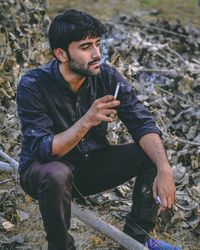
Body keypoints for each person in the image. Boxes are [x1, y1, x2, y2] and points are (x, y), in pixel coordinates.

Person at [16, 9, 180, 250]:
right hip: (43, 173)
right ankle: (60, 246)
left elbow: (141, 122)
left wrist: (164, 169)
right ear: (61, 53)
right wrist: (87, 120)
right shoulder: (34, 85)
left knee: (152, 154)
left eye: (97, 44)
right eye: (85, 47)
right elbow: (44, 149)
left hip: (89, 166)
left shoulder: (107, 77)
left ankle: (137, 241)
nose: (96, 54)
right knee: (56, 173)